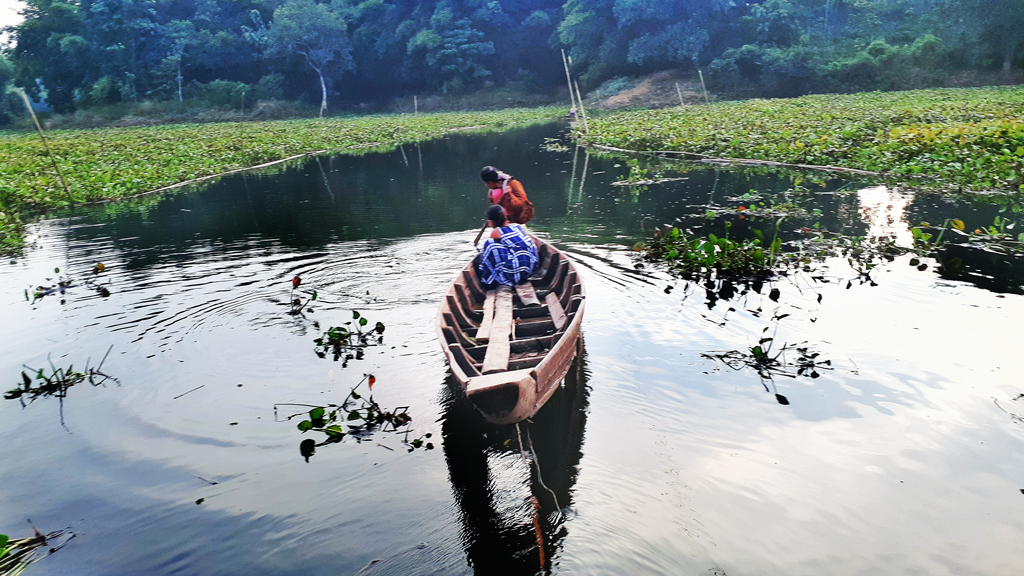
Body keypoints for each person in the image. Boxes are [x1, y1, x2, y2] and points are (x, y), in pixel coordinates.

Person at [477, 205, 538, 288]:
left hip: (515, 274)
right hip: (530, 270)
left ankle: (488, 277)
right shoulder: (517, 227)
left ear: (490, 222)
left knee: (490, 244)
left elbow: (494, 252)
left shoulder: (496, 231)